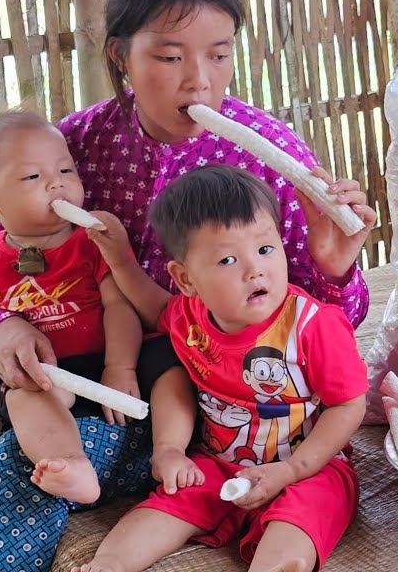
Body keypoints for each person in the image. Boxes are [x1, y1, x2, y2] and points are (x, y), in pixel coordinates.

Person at [0, 0, 376, 572]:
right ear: (120, 55)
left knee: (19, 461)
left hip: (178, 395)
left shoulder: (271, 160)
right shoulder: (74, 148)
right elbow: (14, 257)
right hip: (61, 365)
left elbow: (322, 334)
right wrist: (2, 328)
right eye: (169, 57)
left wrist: (333, 269)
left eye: (219, 54)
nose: (198, 81)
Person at [74, 165, 366, 572]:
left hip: (309, 467)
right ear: (186, 279)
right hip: (216, 465)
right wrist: (170, 451)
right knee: (163, 505)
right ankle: (106, 566)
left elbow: (349, 405)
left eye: (265, 249)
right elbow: (156, 307)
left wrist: (291, 470)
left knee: (300, 524)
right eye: (228, 259)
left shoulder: (313, 325)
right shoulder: (188, 318)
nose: (254, 269)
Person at [0, 110, 145, 506]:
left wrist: (120, 368)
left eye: (66, 170)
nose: (56, 183)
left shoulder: (91, 242)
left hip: (100, 371)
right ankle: (69, 465)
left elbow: (120, 308)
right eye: (32, 177)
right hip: (37, 379)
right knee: (22, 394)